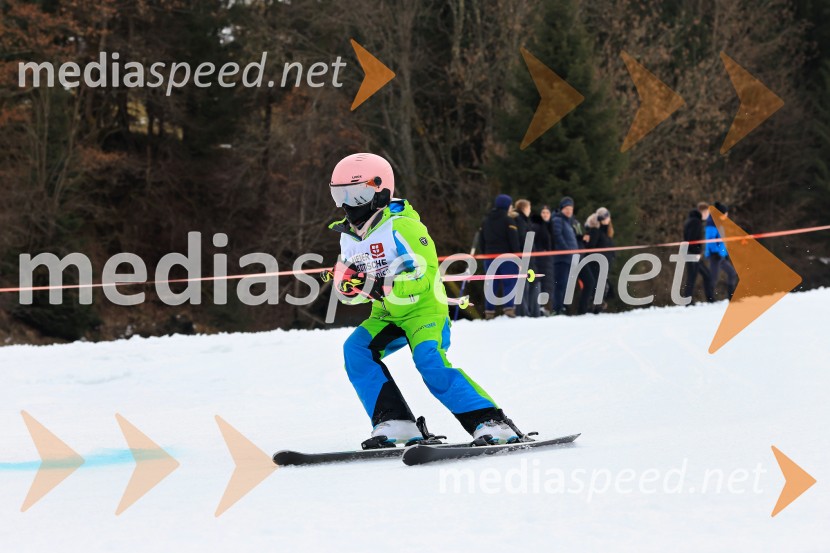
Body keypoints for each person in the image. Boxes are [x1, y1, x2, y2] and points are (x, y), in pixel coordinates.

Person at [328, 153, 522, 446]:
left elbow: (426, 274)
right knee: (355, 351)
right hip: (386, 315)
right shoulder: (348, 237)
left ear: (380, 191)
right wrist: (349, 290)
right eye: (340, 194)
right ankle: (395, 422)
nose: (348, 204)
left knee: (429, 360)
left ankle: (490, 421)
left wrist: (385, 285)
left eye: (356, 195)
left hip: (423, 310)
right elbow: (356, 294)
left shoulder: (403, 226)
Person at [479, 194, 520, 319]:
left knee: (491, 284)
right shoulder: (508, 221)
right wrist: (518, 257)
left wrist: (485, 254)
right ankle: (509, 309)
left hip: (490, 257)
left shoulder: (485, 221)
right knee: (509, 282)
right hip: (506, 257)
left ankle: (489, 311)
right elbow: (514, 241)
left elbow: (481, 241)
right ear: (507, 206)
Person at [682, 202, 715, 303]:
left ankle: (709, 299)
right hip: (692, 254)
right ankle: (689, 301)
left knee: (704, 275)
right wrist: (696, 252)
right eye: (707, 213)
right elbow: (692, 239)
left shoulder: (693, 220)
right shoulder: (695, 222)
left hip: (691, 253)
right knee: (694, 277)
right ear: (702, 211)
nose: (708, 215)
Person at [585, 207, 617, 311]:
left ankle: (597, 309)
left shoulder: (608, 233)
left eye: (606, 216)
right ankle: (593, 309)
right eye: (602, 217)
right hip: (597, 265)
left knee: (605, 289)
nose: (605, 219)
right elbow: (590, 248)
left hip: (606, 265)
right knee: (599, 289)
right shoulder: (596, 231)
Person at [513, 199, 540, 317]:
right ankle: (523, 313)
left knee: (531, 283)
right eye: (529, 207)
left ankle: (531, 311)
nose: (530, 210)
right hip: (524, 256)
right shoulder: (519, 219)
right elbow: (522, 237)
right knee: (524, 285)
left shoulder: (524, 220)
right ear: (524, 208)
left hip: (529, 256)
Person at [551, 196, 579, 315]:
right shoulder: (558, 220)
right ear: (562, 209)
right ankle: (557, 308)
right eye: (566, 208)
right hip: (561, 258)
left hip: (569, 258)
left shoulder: (570, 222)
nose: (569, 211)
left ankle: (562, 307)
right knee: (560, 284)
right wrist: (567, 250)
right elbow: (557, 236)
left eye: (571, 209)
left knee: (566, 284)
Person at [705, 201, 738, 300]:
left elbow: (722, 240)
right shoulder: (711, 223)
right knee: (714, 278)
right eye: (726, 213)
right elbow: (711, 240)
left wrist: (724, 253)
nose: (727, 215)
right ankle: (710, 298)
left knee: (732, 273)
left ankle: (731, 297)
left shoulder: (720, 223)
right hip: (715, 255)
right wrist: (715, 252)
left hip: (721, 255)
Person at [530, 205, 555, 315]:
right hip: (540, 259)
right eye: (543, 212)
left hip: (549, 259)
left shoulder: (551, 226)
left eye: (547, 213)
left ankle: (547, 308)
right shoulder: (537, 225)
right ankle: (540, 308)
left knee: (549, 284)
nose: (545, 215)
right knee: (542, 283)